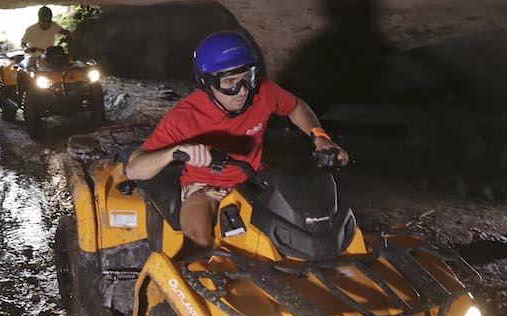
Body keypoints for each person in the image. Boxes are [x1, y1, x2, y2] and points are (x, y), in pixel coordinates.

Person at [125, 31, 349, 249]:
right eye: (230, 82)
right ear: (207, 82)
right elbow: (134, 169)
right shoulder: (184, 116)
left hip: (255, 179)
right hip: (205, 186)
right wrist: (173, 152)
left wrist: (320, 136)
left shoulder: (263, 92)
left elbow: (295, 106)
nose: (242, 91)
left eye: (247, 78)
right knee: (198, 244)